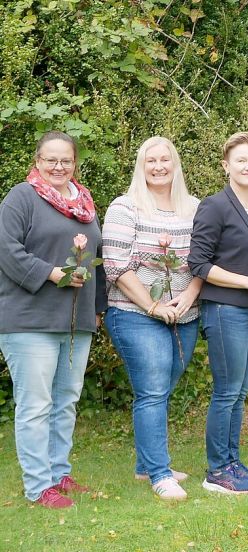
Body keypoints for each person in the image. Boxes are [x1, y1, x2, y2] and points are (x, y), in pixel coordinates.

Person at [0, 131, 106, 509]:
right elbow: (6, 250)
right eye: (51, 160)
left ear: (75, 163)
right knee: (36, 405)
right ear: (37, 161)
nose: (59, 167)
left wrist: (97, 308)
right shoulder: (21, 198)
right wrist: (52, 274)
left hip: (76, 321)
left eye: (66, 160)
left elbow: (97, 259)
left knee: (65, 401)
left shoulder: (85, 204)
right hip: (30, 320)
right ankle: (38, 485)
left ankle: (59, 473)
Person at [102, 137, 202, 500]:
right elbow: (116, 265)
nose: (159, 167)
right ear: (141, 166)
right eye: (151, 161)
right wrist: (153, 306)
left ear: (176, 164)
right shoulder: (125, 207)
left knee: (161, 387)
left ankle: (146, 466)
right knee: (153, 390)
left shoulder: (195, 207)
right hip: (134, 313)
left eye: (165, 160)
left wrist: (188, 297)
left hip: (184, 314)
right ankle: (160, 474)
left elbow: (206, 259)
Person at [189, 132, 248, 494]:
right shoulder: (214, 206)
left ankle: (233, 464)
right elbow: (198, 263)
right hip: (226, 310)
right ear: (226, 165)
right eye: (241, 160)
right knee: (226, 392)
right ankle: (217, 471)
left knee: (239, 392)